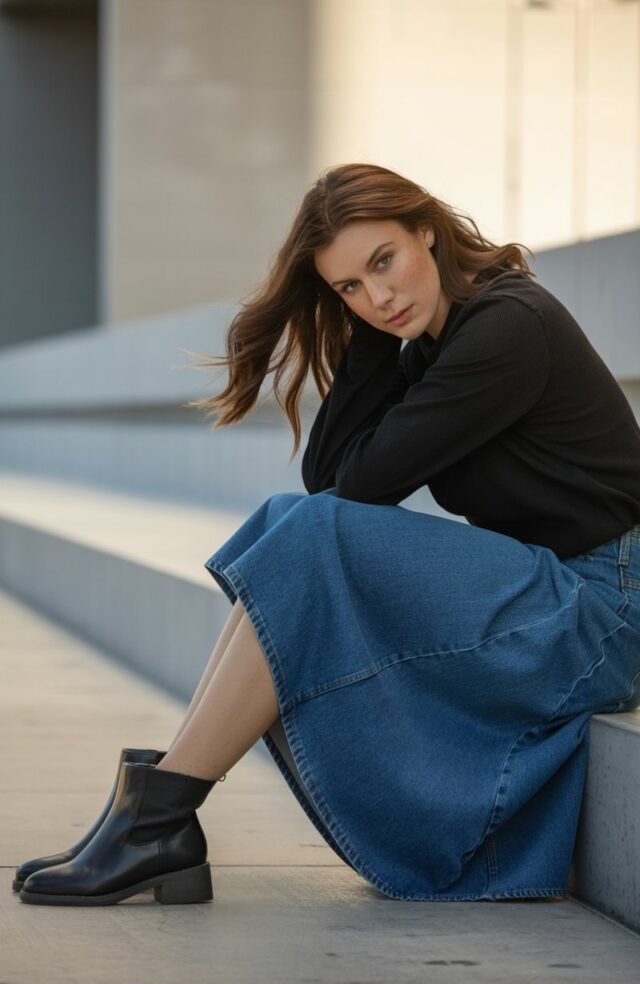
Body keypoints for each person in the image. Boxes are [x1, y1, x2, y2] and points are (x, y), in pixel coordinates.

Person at [16, 162, 640, 907]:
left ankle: (159, 816)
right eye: (349, 288)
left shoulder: (508, 327)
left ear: (427, 232)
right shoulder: (433, 340)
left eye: (384, 262)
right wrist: (374, 334)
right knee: (287, 521)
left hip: (609, 609)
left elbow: (361, 487)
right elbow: (328, 478)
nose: (379, 297)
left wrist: (374, 331)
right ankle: (156, 808)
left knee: (309, 531)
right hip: (557, 586)